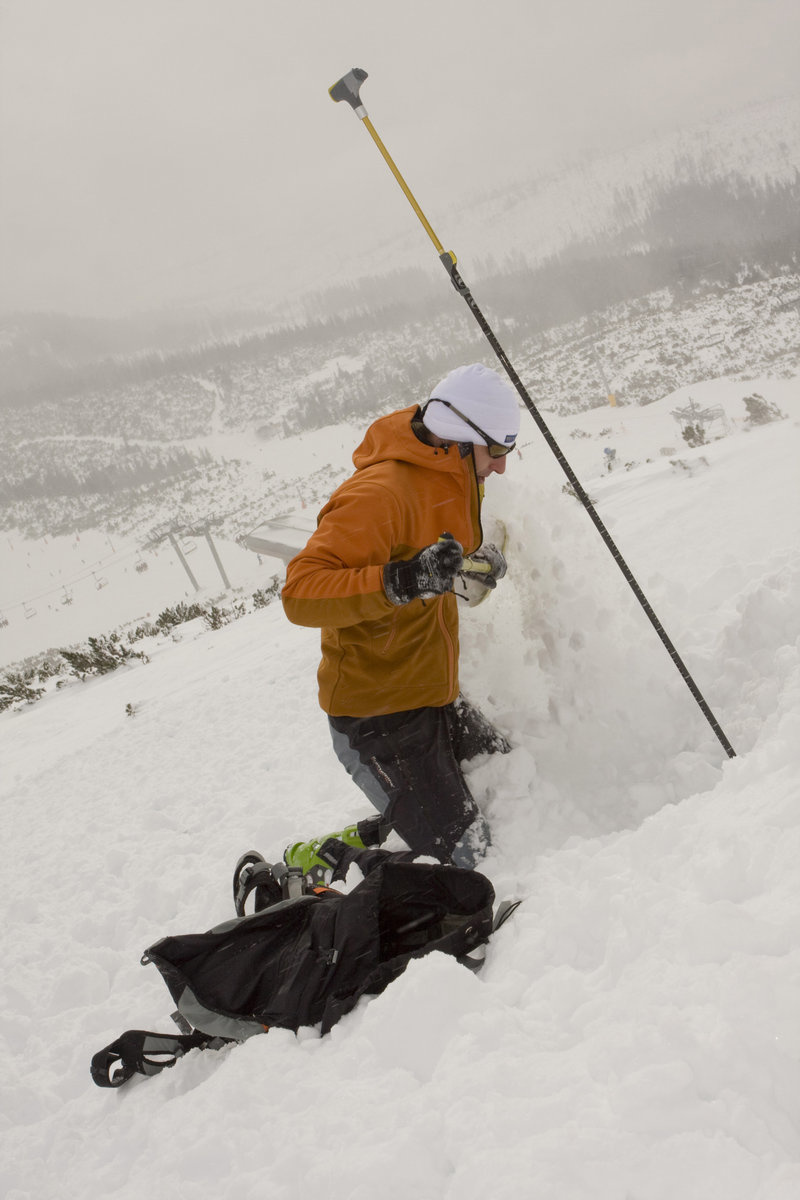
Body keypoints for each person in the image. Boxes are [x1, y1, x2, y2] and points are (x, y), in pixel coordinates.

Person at [280, 362, 520, 878]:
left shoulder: (456, 475)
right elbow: (300, 593)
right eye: (496, 450)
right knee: (472, 868)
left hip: (435, 693)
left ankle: (394, 825)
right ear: (459, 436)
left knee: (515, 785)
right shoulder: (378, 496)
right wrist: (401, 580)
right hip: (378, 719)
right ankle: (331, 863)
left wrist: (470, 568)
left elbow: (433, 567)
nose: (500, 466)